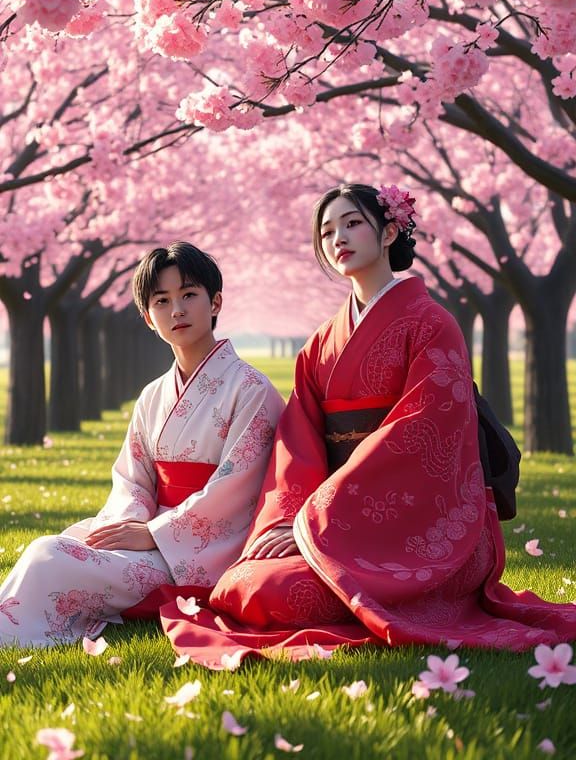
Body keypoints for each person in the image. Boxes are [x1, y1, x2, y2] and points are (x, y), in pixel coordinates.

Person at [161, 184, 576, 667]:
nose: (338, 238)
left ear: (390, 231)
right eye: (327, 231)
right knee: (241, 586)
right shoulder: (319, 344)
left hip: (417, 526)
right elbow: (298, 445)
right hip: (332, 519)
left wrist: (321, 516)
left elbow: (422, 434)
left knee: (280, 592)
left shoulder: (432, 323)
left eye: (352, 223)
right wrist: (288, 522)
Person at [0, 242, 285, 647]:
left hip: (197, 552)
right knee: (51, 546)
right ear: (148, 318)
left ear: (215, 302)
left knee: (51, 559)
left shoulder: (252, 389)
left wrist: (154, 532)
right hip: (149, 532)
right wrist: (128, 527)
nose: (177, 311)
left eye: (189, 295)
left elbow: (236, 488)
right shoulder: (153, 394)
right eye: (162, 301)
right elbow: (132, 477)